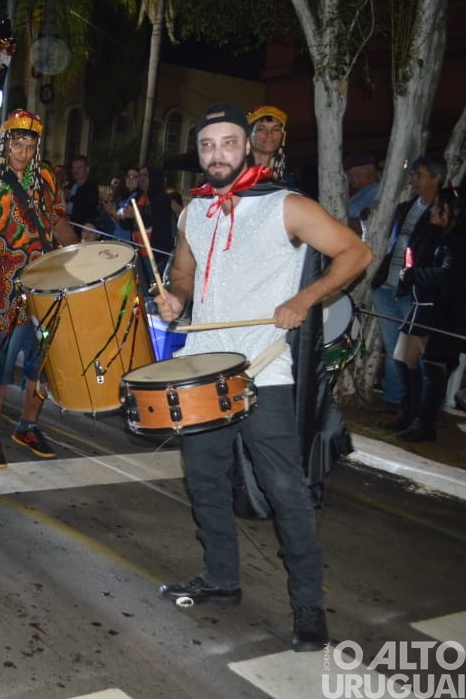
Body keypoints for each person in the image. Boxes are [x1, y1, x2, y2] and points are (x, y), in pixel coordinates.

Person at [153, 103, 371, 652]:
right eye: (207, 146)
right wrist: (175, 300)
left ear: (247, 146)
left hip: (264, 367)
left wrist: (304, 297)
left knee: (286, 490)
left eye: (228, 143)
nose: (217, 154)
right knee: (204, 480)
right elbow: (183, 272)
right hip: (202, 369)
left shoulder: (285, 205)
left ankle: (309, 607)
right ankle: (222, 579)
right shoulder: (193, 213)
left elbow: (355, 252)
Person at [0, 109, 79, 468]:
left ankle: (28, 425)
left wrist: (76, 252)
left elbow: (57, 220)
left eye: (29, 144)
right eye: (17, 143)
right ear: (4, 142)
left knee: (42, 364)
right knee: (0, 365)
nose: (23, 151)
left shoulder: (46, 178)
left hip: (42, 285)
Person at [370, 156, 445, 411]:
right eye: (413, 174)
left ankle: (417, 406)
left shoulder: (444, 211)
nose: (413, 179)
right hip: (387, 286)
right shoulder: (405, 208)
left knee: (413, 352)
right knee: (392, 347)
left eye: (419, 174)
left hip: (413, 292)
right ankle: (395, 399)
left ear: (436, 177)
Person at [392, 188, 466, 442]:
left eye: (437, 207)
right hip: (428, 305)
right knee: (405, 357)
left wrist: (415, 275)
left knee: (433, 366)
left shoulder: (458, 239)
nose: (432, 211)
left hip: (446, 313)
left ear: (451, 211)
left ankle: (424, 424)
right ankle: (411, 415)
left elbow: (451, 274)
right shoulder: (441, 235)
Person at [246, 105, 293, 186]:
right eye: (261, 129)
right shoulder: (237, 174)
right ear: (249, 135)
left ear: (283, 135)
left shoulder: (286, 178)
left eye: (276, 129)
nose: (269, 134)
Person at [343, 152, 379, 238]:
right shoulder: (363, 192)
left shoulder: (376, 191)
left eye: (350, 175)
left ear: (362, 172)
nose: (350, 180)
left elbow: (370, 224)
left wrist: (337, 220)